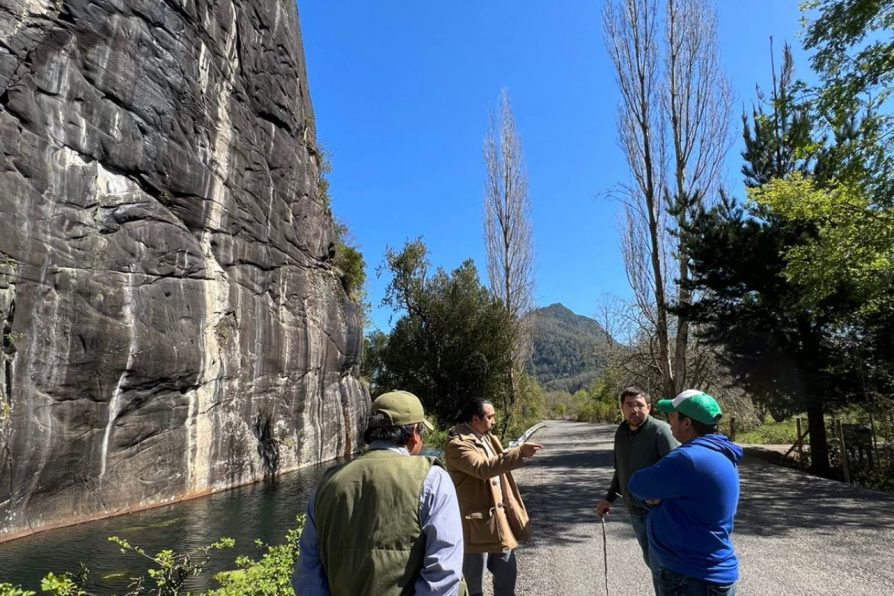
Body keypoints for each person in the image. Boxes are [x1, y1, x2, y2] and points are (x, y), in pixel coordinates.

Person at [291, 390, 467, 596]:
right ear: (413, 434)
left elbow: (307, 572)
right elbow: (444, 571)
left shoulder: (327, 483)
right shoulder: (433, 478)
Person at [628, 389, 743, 596]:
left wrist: (656, 499)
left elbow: (637, 484)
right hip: (710, 574)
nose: (669, 421)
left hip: (691, 579)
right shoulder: (721, 453)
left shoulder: (688, 459)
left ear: (687, 422)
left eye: (672, 416)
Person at [444, 398, 543, 596]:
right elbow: (483, 468)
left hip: (499, 522)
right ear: (475, 419)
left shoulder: (487, 438)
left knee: (507, 577)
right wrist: (519, 453)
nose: (494, 421)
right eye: (490, 417)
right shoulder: (457, 445)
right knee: (474, 589)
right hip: (474, 528)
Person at [595, 386, 678, 582]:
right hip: (635, 511)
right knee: (652, 563)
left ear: (648, 408)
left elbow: (678, 472)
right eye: (629, 405)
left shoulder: (660, 431)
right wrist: (609, 499)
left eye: (640, 405)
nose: (635, 410)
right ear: (621, 408)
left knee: (664, 567)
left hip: (659, 513)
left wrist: (664, 501)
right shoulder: (621, 433)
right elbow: (621, 470)